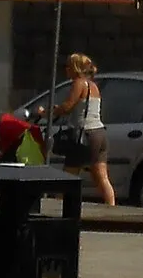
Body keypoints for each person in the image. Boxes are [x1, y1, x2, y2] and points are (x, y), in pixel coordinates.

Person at [49, 51, 116, 207]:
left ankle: (57, 208)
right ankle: (112, 207)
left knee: (68, 174)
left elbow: (67, 107)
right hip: (99, 133)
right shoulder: (94, 86)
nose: (66, 69)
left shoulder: (79, 83)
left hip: (84, 135)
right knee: (102, 177)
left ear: (75, 68)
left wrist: (48, 111)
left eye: (68, 66)